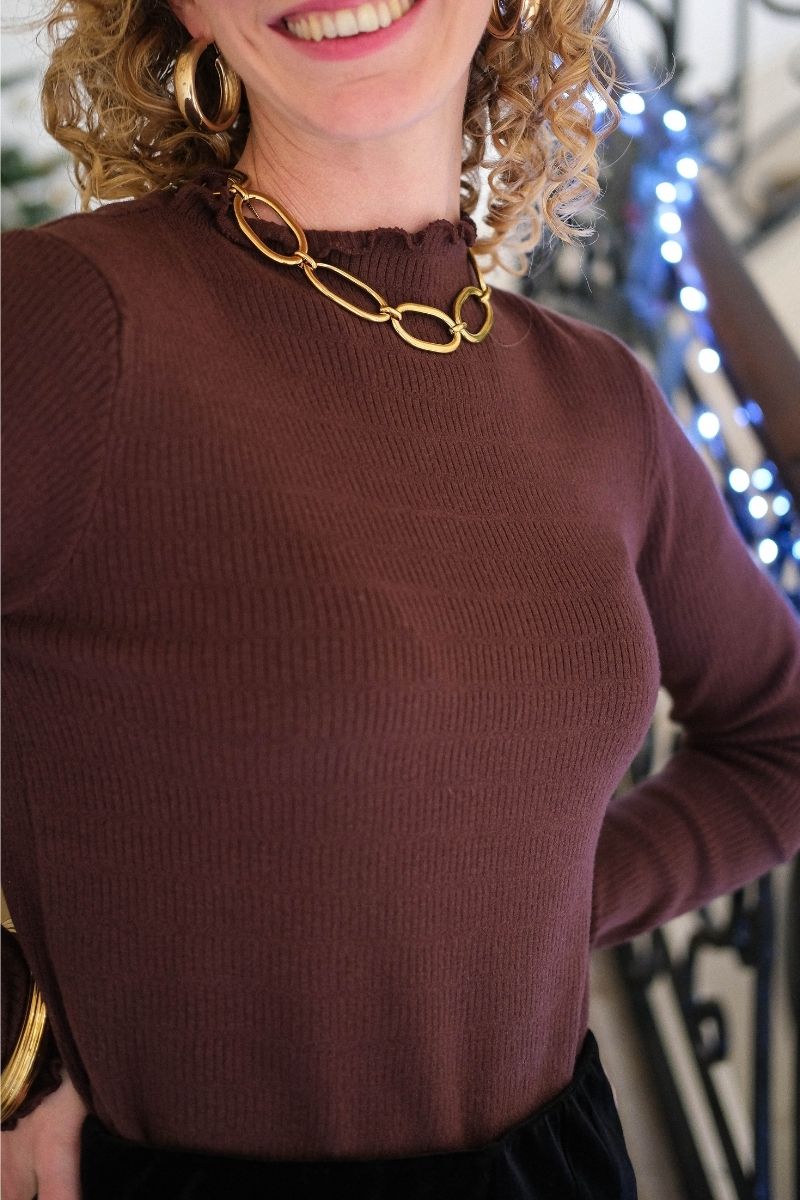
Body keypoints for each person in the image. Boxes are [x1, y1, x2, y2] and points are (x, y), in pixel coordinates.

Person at [2, 0, 799, 1195]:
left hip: (560, 1162)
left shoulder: (598, 399)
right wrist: (18, 1057)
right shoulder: (67, 320)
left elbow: (777, 740)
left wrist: (536, 906)